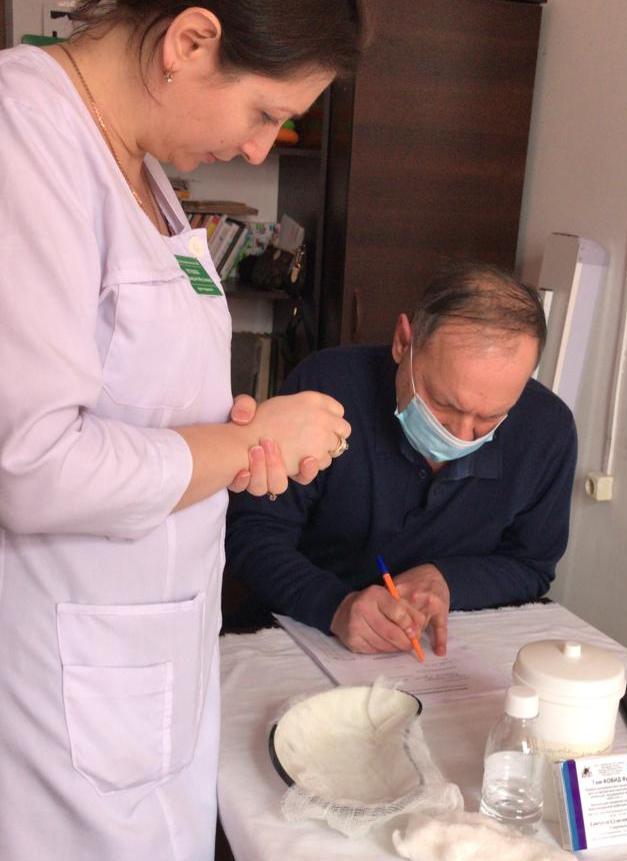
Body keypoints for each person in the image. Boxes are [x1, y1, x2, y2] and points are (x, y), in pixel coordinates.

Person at [0, 3, 365, 859]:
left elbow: (140, 397)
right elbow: (30, 461)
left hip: (150, 652)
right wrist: (244, 440)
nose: (259, 150)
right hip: (64, 666)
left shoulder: (138, 160)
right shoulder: (26, 134)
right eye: (265, 112)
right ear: (190, 41)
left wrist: (239, 445)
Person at [226, 263, 578, 657]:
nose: (461, 435)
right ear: (403, 343)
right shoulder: (327, 388)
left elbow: (531, 564)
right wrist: (335, 606)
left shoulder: (546, 430)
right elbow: (252, 533)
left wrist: (447, 579)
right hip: (298, 637)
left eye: (490, 417)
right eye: (443, 403)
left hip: (446, 649)